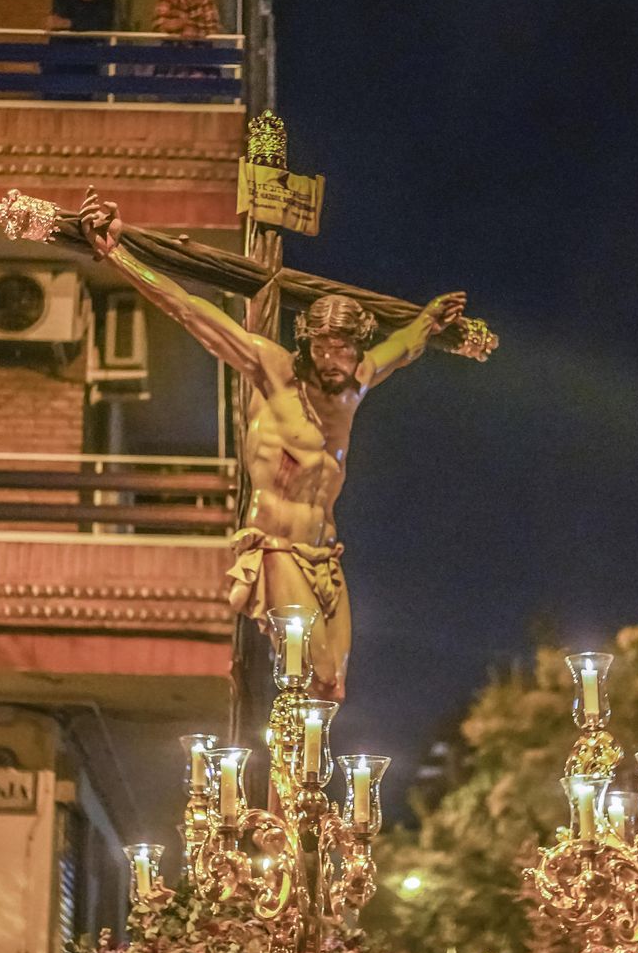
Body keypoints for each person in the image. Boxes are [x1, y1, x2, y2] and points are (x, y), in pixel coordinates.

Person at [78, 191, 465, 701]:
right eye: (321, 346)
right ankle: (284, 771)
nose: (331, 358)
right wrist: (118, 252)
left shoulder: (358, 384)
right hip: (277, 546)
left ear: (357, 349)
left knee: (332, 687)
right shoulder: (274, 371)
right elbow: (189, 311)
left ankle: (303, 780)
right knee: (309, 672)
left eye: (342, 348)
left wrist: (430, 319)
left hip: (326, 553)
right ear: (306, 342)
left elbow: (407, 345)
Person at [43, 0, 116, 99]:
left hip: (90, 56)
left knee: (84, 98)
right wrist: (84, 24)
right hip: (60, 56)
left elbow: (103, 24)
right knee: (54, 98)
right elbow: (57, 21)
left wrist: (69, 23)